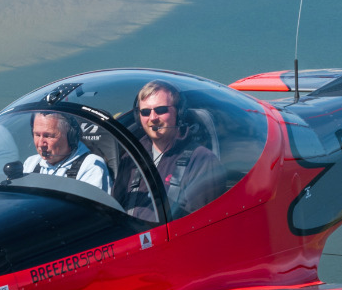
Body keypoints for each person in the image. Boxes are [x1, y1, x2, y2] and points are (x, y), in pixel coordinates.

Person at [133, 80, 223, 218]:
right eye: (145, 112)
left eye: (161, 110)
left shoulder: (201, 160)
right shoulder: (132, 158)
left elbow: (200, 224)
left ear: (179, 113)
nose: (152, 118)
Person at [21, 111, 112, 194]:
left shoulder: (91, 166)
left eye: (48, 136)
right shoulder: (31, 163)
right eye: (37, 135)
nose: (40, 144)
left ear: (69, 136)